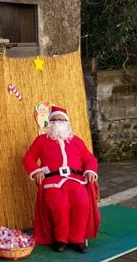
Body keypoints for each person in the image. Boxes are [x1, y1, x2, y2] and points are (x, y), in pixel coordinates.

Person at [22, 106, 100, 253]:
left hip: (76, 180)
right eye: (55, 120)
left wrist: (90, 170)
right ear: (49, 123)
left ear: (68, 123)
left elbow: (89, 158)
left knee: (82, 203)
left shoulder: (76, 141)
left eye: (62, 120)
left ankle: (77, 239)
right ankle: (61, 239)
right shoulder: (41, 141)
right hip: (53, 182)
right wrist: (36, 171)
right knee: (59, 205)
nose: (58, 123)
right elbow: (28, 158)